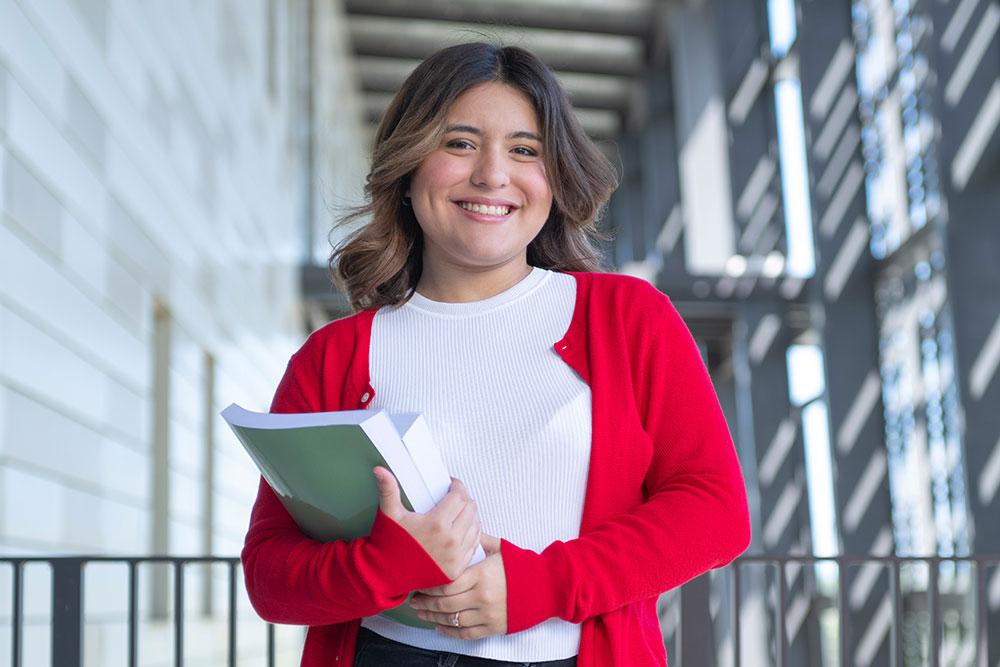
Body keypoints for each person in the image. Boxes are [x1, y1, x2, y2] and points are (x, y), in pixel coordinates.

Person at [241, 42, 751, 667]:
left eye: (525, 150)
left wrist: (539, 586)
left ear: (554, 178)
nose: (492, 175)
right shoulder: (333, 357)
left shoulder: (626, 318)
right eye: (458, 143)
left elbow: (714, 512)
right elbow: (270, 576)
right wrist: (385, 562)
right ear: (407, 167)